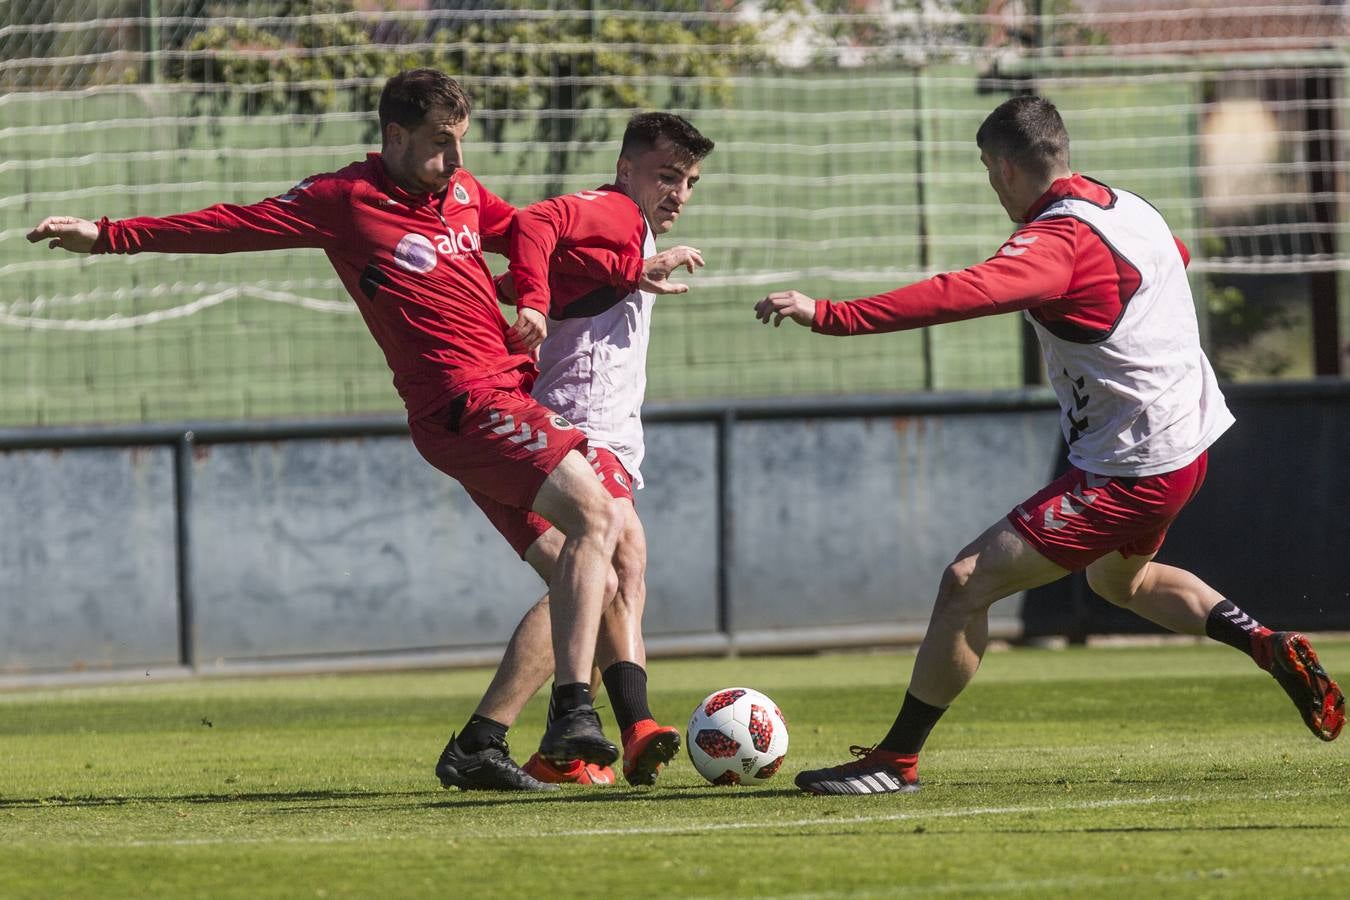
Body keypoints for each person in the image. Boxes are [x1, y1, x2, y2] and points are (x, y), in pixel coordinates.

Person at [27, 68, 638, 788]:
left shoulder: (463, 193)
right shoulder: (345, 200)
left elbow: (531, 233)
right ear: (395, 136)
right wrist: (107, 236)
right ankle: (574, 714)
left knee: (584, 566)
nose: (456, 159)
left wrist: (623, 267)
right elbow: (231, 224)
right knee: (601, 516)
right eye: (442, 143)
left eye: (461, 142)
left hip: (496, 402)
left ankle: (480, 743)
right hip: (469, 405)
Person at [754, 95, 1345, 796]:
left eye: (987, 169)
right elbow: (1174, 258)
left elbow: (962, 292)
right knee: (1117, 584)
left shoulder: (1058, 242)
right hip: (1186, 443)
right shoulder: (1129, 207)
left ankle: (895, 761)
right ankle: (1265, 644)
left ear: (1005, 167)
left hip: (1130, 467)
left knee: (966, 582)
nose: (990, 183)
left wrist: (831, 314)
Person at [437, 112, 714, 789]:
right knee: (611, 562)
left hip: (575, 425)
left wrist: (523, 294)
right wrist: (533, 301)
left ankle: (530, 744)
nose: (679, 193)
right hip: (575, 424)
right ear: (626, 169)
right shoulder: (615, 210)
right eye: (667, 176)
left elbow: (548, 268)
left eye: (689, 182)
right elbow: (536, 223)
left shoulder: (625, 234)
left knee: (607, 575)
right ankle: (619, 725)